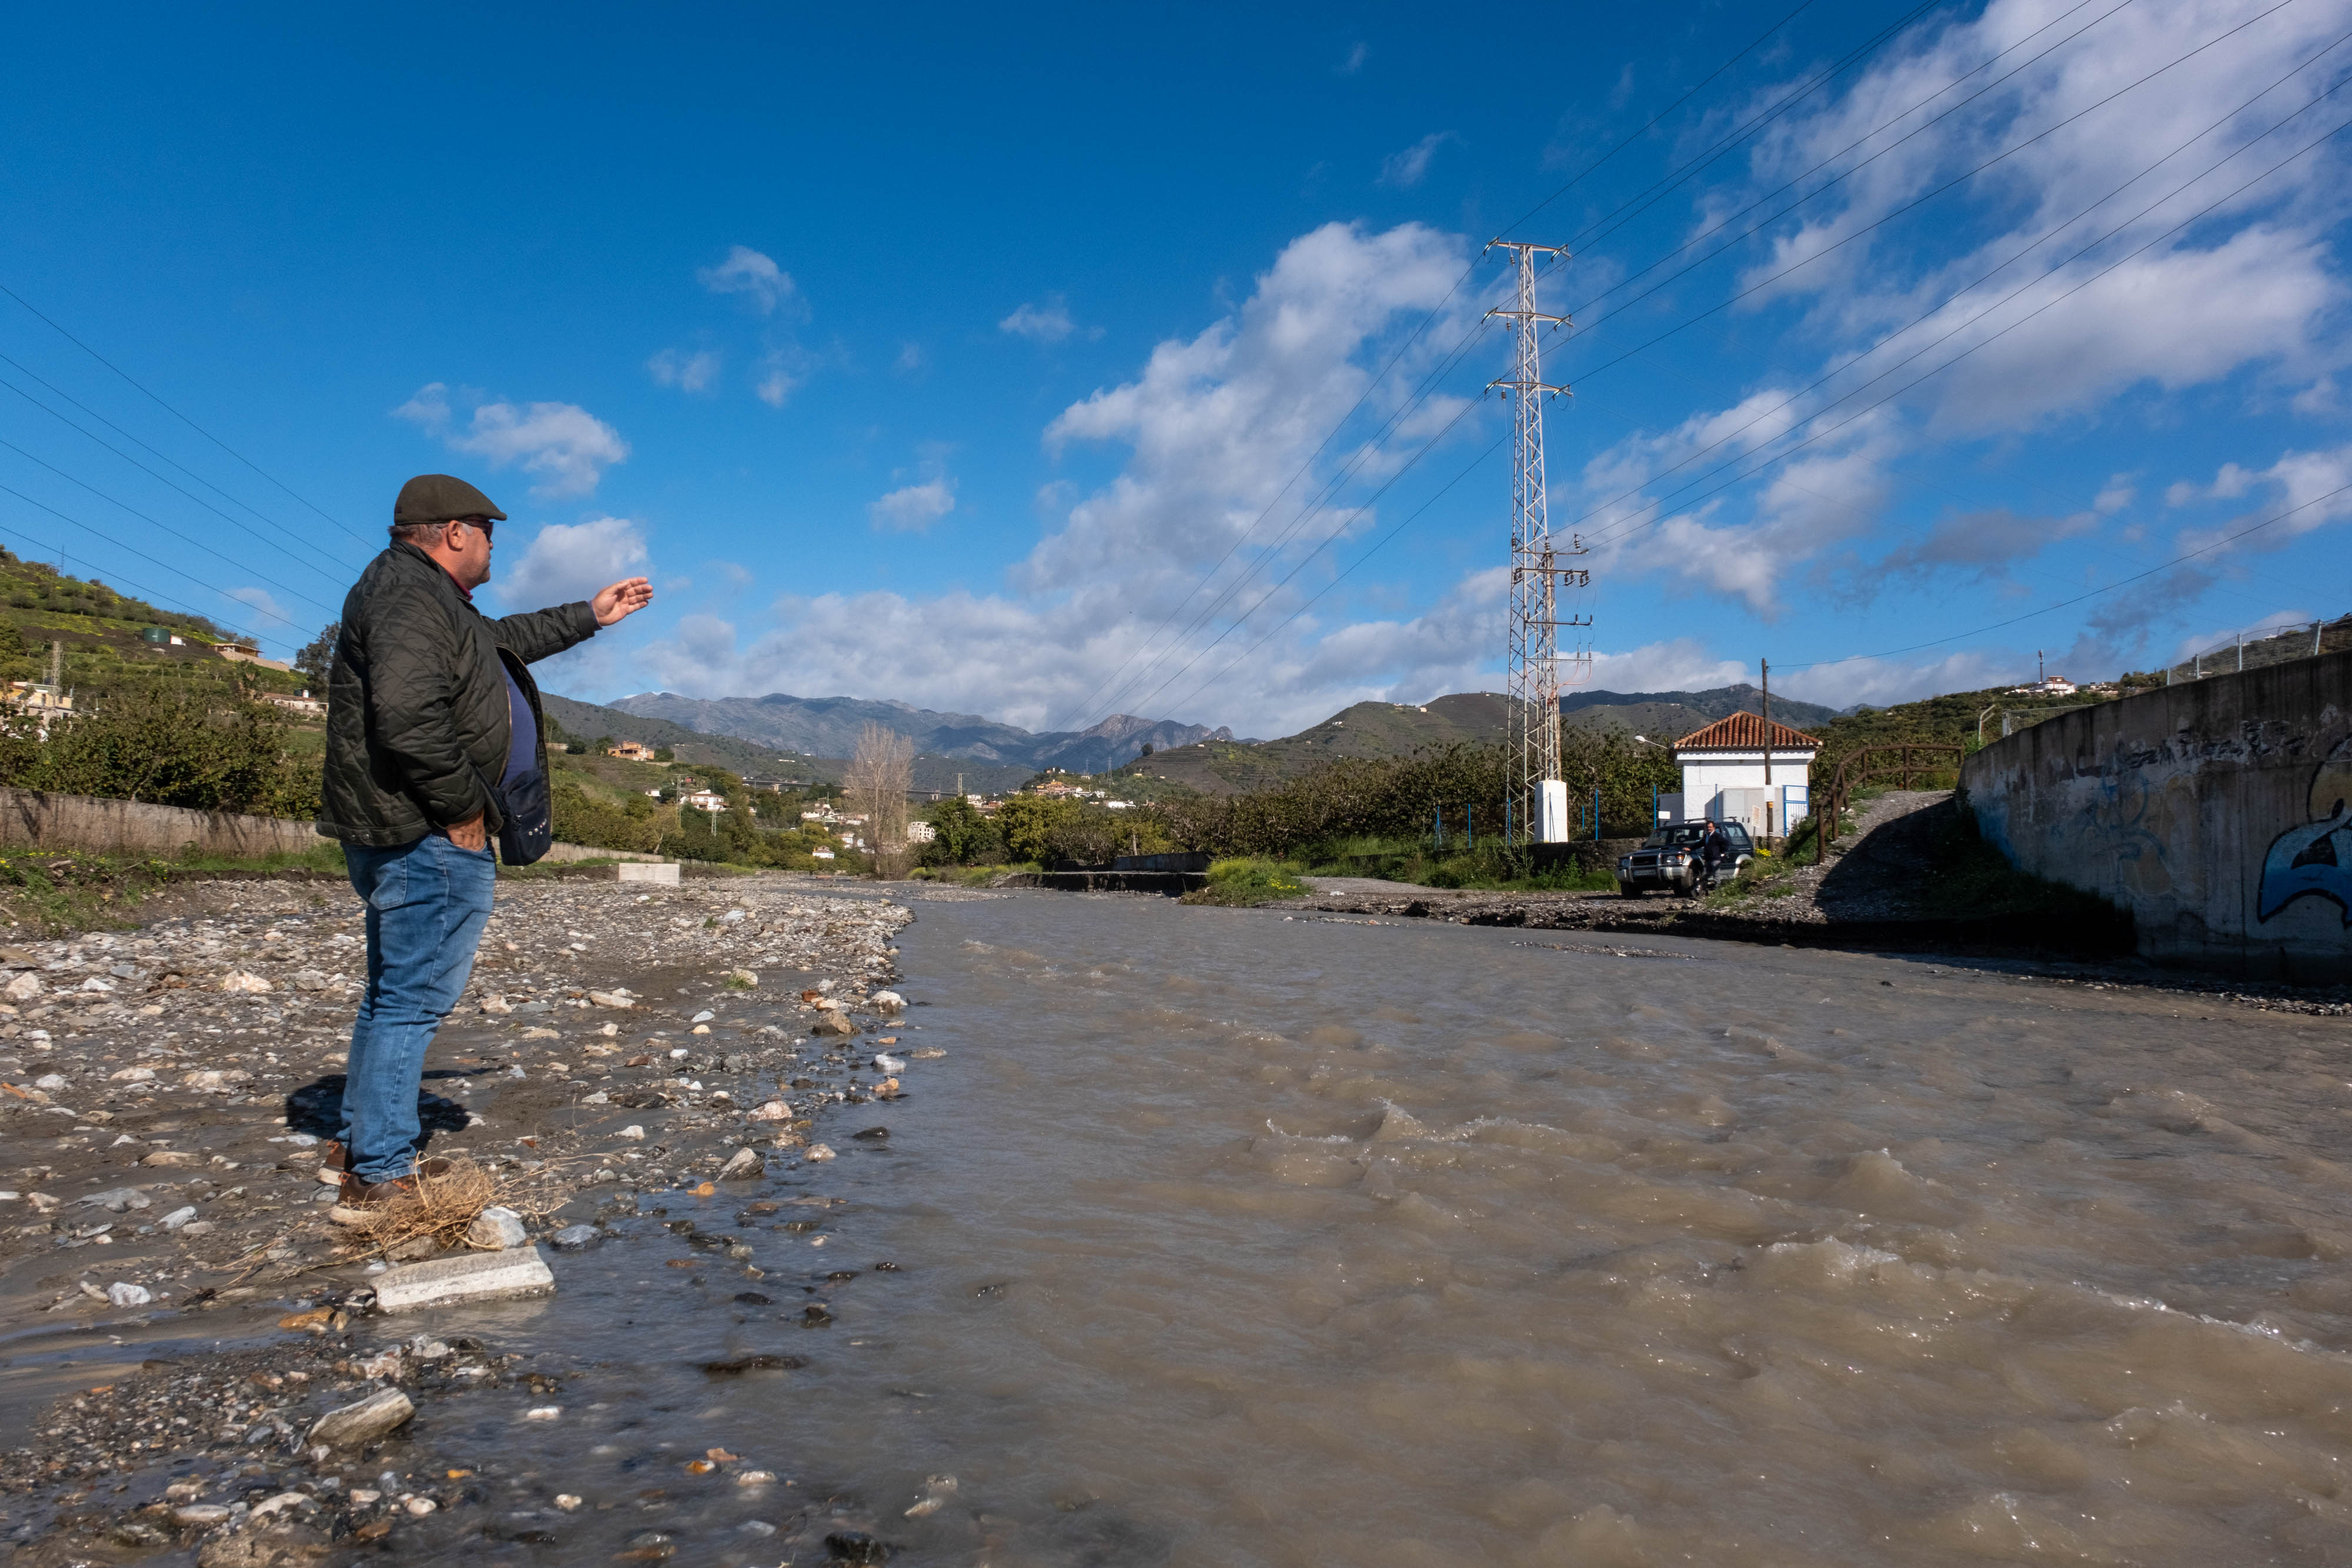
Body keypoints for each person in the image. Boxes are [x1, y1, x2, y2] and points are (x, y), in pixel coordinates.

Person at [315, 473, 653, 1221]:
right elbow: (407, 716)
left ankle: (362, 1142)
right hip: (427, 832)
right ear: (455, 532)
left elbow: (503, 644)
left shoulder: (428, 599)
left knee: (391, 995)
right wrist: (464, 806)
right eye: (489, 532)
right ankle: (380, 1175)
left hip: (410, 827)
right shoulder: (407, 596)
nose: (496, 545)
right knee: (410, 1000)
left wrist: (590, 616)